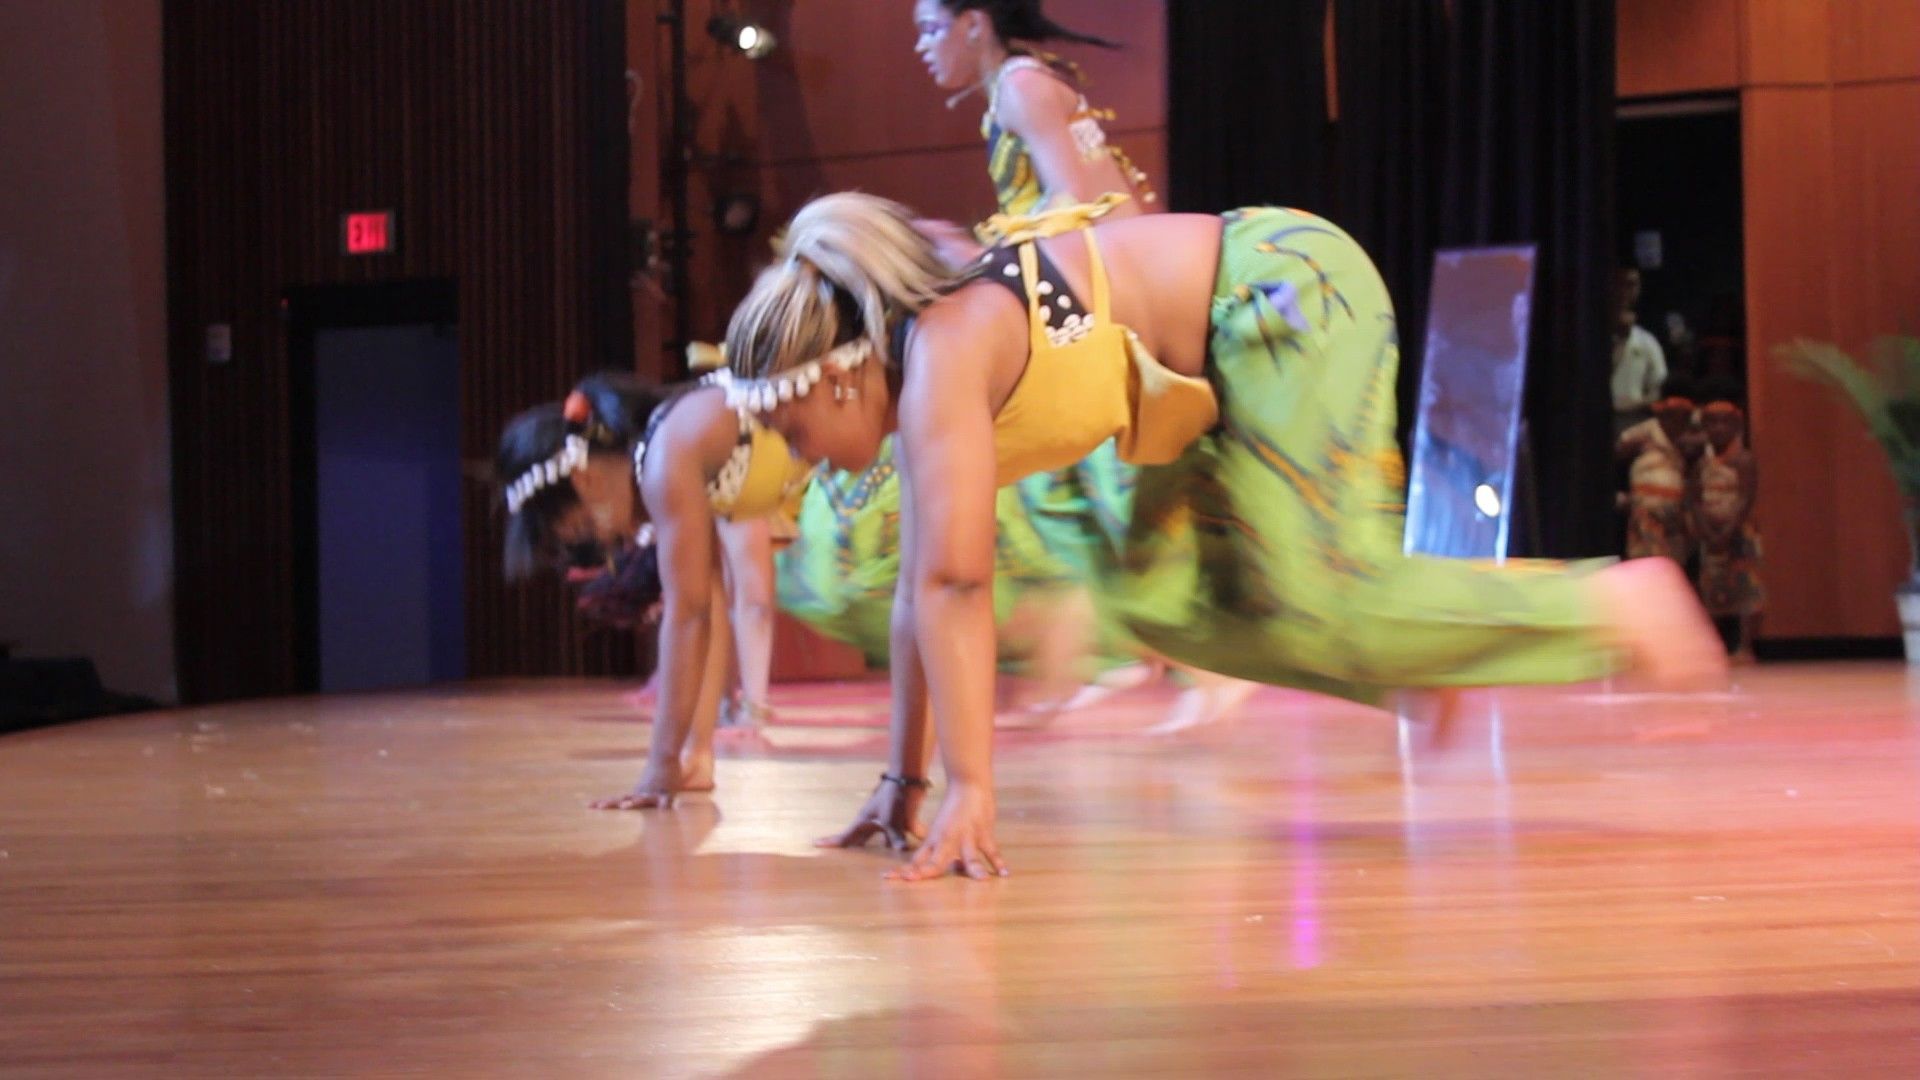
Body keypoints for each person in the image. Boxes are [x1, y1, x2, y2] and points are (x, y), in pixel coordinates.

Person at [723, 193, 1728, 881]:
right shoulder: (922, 368)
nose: (801, 461)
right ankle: (1414, 662)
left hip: (1283, 294)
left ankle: (1611, 605)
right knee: (1157, 606)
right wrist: (905, 782)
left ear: (838, 377)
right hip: (1204, 383)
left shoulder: (942, 350)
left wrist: (971, 792)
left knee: (1324, 599)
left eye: (792, 433)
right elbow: (918, 594)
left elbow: (953, 587)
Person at [914, 0, 1255, 729]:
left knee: (1112, 490)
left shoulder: (1021, 86)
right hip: (1086, 295)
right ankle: (1109, 657)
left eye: (931, 27)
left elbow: (1089, 203)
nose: (923, 46)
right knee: (1060, 493)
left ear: (975, 23)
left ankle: (1204, 660)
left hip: (1098, 303)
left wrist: (976, 255)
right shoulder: (1020, 87)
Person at [1689, 395, 1763, 662]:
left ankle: (1745, 646)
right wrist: (1706, 530)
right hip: (1711, 536)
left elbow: (1745, 498)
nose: (1718, 428)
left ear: (1736, 427)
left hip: (1739, 534)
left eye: (1725, 423)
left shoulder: (1744, 460)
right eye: (1712, 423)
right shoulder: (1701, 464)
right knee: (1712, 589)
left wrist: (1729, 531)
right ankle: (1716, 647)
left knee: (1746, 590)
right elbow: (1695, 499)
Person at [1616, 393, 1699, 565]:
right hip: (1644, 512)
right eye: (1671, 416)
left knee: (1670, 563)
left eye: (1682, 417)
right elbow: (1619, 450)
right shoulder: (1647, 431)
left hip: (1674, 518)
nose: (1676, 421)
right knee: (1645, 562)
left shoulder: (1689, 437)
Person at [1611, 268, 1668, 438]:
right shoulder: (1584, 339)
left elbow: (1659, 390)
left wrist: (1631, 404)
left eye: (1631, 285)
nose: (1624, 293)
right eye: (1619, 284)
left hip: (1634, 429)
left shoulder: (1646, 341)